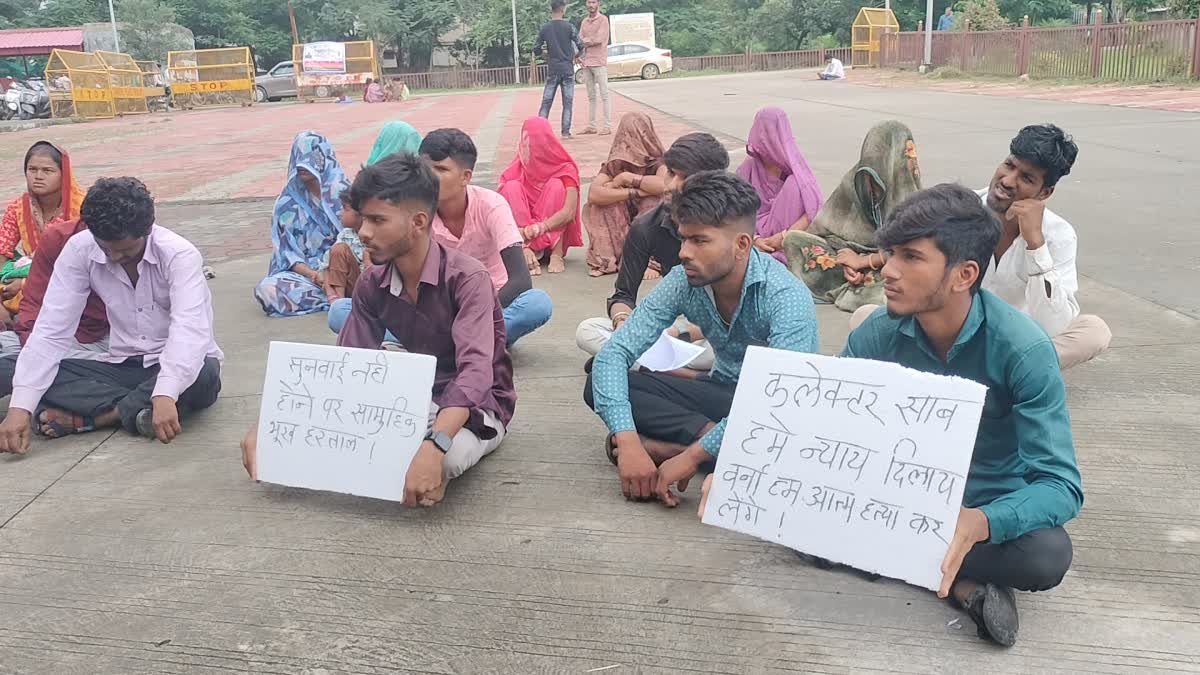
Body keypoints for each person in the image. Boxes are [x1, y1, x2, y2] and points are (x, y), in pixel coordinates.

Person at [823, 184, 1080, 646]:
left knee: (1046, 556)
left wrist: (983, 521)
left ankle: (894, 557)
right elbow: (826, 424)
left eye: (912, 258)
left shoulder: (1023, 350)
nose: (890, 271)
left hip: (982, 499)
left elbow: (1060, 486)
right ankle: (960, 583)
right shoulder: (876, 335)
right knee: (800, 519)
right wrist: (753, 473)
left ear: (964, 275)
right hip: (895, 494)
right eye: (890, 254)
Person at [242, 154, 516, 507]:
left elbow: (476, 375)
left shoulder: (469, 279)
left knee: (447, 457)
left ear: (418, 221)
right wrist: (273, 423)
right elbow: (345, 363)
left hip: (476, 407)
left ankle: (429, 450)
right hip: (411, 396)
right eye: (362, 219)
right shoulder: (373, 282)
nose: (364, 232)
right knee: (341, 441)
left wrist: (435, 446)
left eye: (377, 220)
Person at [584, 171, 818, 504]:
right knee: (598, 375)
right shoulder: (684, 280)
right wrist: (630, 442)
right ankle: (726, 446)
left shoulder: (785, 297)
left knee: (789, 436)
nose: (683, 252)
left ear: (741, 245)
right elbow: (615, 354)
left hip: (773, 406)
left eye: (700, 240)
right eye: (683, 238)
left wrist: (690, 457)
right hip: (721, 392)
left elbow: (783, 402)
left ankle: (683, 448)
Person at [849, 124, 1111, 370]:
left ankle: (1001, 370)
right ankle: (999, 373)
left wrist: (1035, 245)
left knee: (1094, 331)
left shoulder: (1058, 235)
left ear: (1045, 193)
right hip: (948, 337)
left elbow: (1054, 325)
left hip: (1014, 345)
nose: (1008, 180)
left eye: (1026, 178)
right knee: (865, 317)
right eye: (1009, 165)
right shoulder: (959, 210)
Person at [0, 177, 223, 453]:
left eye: (126, 250)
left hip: (175, 365)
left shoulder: (179, 255)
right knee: (8, 369)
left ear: (147, 230)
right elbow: (51, 331)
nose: (115, 258)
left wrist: (166, 391)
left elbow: (189, 332)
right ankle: (137, 411)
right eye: (107, 249)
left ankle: (101, 417)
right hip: (121, 366)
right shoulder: (80, 249)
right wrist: (20, 408)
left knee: (205, 372)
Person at [574, 132, 731, 368]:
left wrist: (679, 331)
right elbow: (624, 295)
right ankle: (652, 364)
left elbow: (740, 318)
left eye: (685, 178)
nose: (671, 186)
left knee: (729, 350)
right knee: (587, 331)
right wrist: (623, 323)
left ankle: (637, 365)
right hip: (666, 326)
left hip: (711, 331)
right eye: (670, 173)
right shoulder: (646, 227)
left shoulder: (730, 223)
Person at [783, 120, 922, 312]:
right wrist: (847, 263)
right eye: (870, 159)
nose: (874, 170)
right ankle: (850, 280)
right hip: (852, 253)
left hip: (888, 265)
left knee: (905, 282)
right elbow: (825, 231)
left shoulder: (910, 198)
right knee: (794, 240)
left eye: (881, 160)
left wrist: (864, 262)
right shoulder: (856, 181)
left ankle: (863, 286)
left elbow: (911, 251)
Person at [254, 131, 349, 317]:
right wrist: (314, 275)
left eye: (311, 157)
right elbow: (286, 253)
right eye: (299, 156)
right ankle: (336, 299)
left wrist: (335, 271)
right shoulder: (286, 204)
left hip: (344, 269)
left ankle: (343, 295)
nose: (303, 164)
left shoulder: (344, 194)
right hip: (308, 275)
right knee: (268, 289)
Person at [0, 141, 85, 321]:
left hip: (71, 284)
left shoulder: (83, 209)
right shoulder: (18, 208)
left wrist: (26, 284)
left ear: (64, 174)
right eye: (32, 170)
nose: (38, 176)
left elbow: (85, 265)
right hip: (25, 283)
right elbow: (2, 251)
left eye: (48, 171)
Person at [584, 112, 669, 277]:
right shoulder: (616, 163)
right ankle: (607, 260)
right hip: (625, 217)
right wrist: (633, 192)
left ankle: (651, 261)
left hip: (648, 222)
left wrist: (628, 178)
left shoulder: (658, 161)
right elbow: (594, 193)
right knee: (602, 205)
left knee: (653, 201)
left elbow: (663, 185)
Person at [737, 107, 824, 264]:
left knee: (795, 184)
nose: (767, 138)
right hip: (755, 235)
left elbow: (814, 209)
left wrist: (784, 237)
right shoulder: (747, 169)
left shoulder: (796, 168)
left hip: (788, 238)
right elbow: (733, 212)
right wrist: (755, 239)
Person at [497, 116, 582, 276]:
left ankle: (556, 254)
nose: (528, 148)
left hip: (551, 236)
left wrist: (540, 228)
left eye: (533, 143)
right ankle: (523, 250)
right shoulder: (516, 169)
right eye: (526, 142)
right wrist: (523, 241)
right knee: (511, 187)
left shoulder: (565, 168)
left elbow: (569, 213)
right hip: (522, 235)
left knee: (556, 185)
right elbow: (499, 216)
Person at [534, 0, 584, 139]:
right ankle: (565, 132)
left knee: (546, 101)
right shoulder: (569, 27)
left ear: (551, 10)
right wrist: (576, 56)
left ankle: (539, 131)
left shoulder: (545, 28)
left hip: (553, 69)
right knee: (567, 102)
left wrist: (545, 55)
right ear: (563, 10)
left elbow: (536, 48)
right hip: (567, 69)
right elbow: (581, 45)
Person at [577, 0, 611, 135]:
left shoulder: (603, 20)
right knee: (591, 96)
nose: (591, 5)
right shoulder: (584, 21)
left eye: (593, 2)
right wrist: (580, 50)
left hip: (599, 61)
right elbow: (579, 40)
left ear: (598, 4)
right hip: (586, 62)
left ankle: (607, 126)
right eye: (589, 2)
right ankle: (592, 125)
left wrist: (586, 41)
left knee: (605, 95)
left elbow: (599, 39)